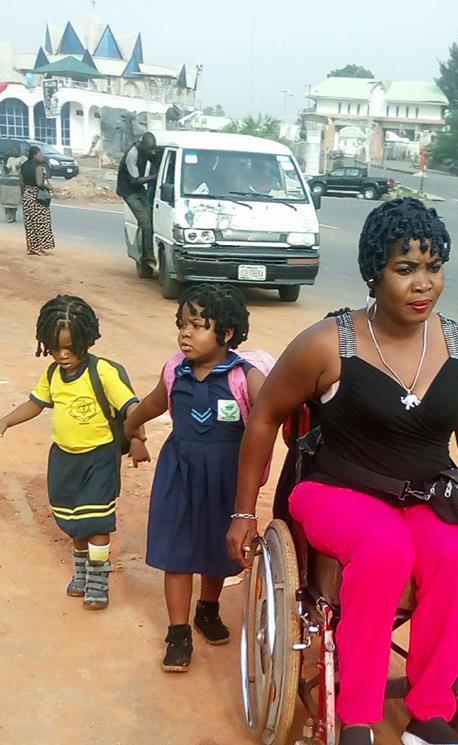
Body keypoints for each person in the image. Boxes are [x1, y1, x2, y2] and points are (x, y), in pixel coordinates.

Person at [228, 197, 458, 745]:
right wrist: (242, 513)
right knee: (385, 551)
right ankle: (356, 720)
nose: (422, 284)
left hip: (426, 493)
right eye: (405, 269)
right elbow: (265, 417)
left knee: (457, 560)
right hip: (334, 490)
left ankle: (430, 713)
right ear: (374, 271)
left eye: (433, 267)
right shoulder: (329, 343)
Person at [125, 284, 264, 673]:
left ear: (228, 333)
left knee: (216, 550)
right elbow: (153, 402)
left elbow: (268, 422)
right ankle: (178, 632)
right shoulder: (174, 370)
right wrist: (131, 427)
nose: (185, 333)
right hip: (179, 474)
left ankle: (208, 608)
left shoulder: (244, 378)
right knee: (178, 553)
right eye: (182, 325)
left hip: (224, 480)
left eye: (198, 325)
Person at [0, 295, 150, 609]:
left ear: (86, 339)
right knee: (73, 519)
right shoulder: (53, 375)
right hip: (64, 459)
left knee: (96, 520)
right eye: (56, 349)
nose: (63, 355)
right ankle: (81, 569)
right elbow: (35, 404)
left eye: (70, 347)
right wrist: (6, 421)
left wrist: (138, 439)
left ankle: (98, 580)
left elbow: (131, 406)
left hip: (99, 458)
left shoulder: (104, 372)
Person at [116, 132, 158, 265]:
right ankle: (147, 256)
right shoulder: (132, 155)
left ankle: (140, 248)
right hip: (128, 191)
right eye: (150, 149)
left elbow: (155, 159)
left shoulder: (145, 150)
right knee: (145, 222)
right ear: (143, 145)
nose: (151, 152)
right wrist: (154, 177)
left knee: (149, 219)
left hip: (139, 190)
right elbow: (135, 180)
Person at [19, 146, 55, 256]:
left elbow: (21, 183)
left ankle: (31, 247)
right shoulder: (39, 167)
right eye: (40, 154)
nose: (41, 156)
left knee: (30, 222)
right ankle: (39, 248)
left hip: (26, 195)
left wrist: (23, 195)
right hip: (37, 196)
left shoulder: (23, 166)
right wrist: (49, 187)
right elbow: (40, 183)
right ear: (35, 155)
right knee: (40, 222)